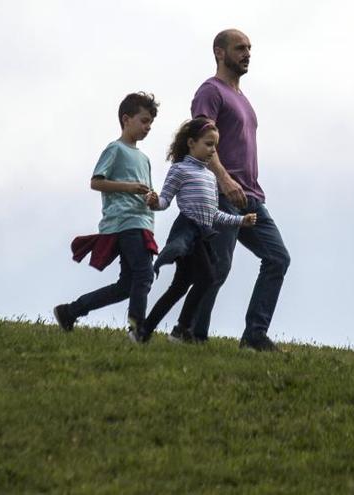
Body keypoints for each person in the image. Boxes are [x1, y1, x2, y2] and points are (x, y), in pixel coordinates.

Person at [189, 29, 291, 351]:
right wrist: (223, 178)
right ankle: (191, 333)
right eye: (240, 48)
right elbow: (202, 141)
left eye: (249, 48)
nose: (247, 53)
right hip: (223, 192)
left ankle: (254, 336)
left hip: (250, 196)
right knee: (218, 265)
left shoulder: (243, 98)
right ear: (220, 52)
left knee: (278, 258)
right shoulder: (211, 91)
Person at [53, 92, 159, 343]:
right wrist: (129, 187)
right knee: (144, 275)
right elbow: (96, 182)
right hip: (125, 222)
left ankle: (70, 311)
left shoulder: (144, 158)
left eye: (151, 124)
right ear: (126, 119)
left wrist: (152, 199)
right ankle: (137, 328)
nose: (148, 127)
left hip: (142, 223)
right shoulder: (115, 149)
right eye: (144, 121)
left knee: (126, 286)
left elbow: (147, 191)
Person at [141, 118, 256, 343]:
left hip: (203, 235)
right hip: (187, 232)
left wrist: (240, 221)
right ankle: (182, 329)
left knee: (181, 286)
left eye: (215, 145)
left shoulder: (210, 177)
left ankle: (144, 330)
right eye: (208, 144)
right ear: (191, 143)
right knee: (207, 277)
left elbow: (214, 215)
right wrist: (154, 202)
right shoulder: (179, 170)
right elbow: (165, 201)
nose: (213, 150)